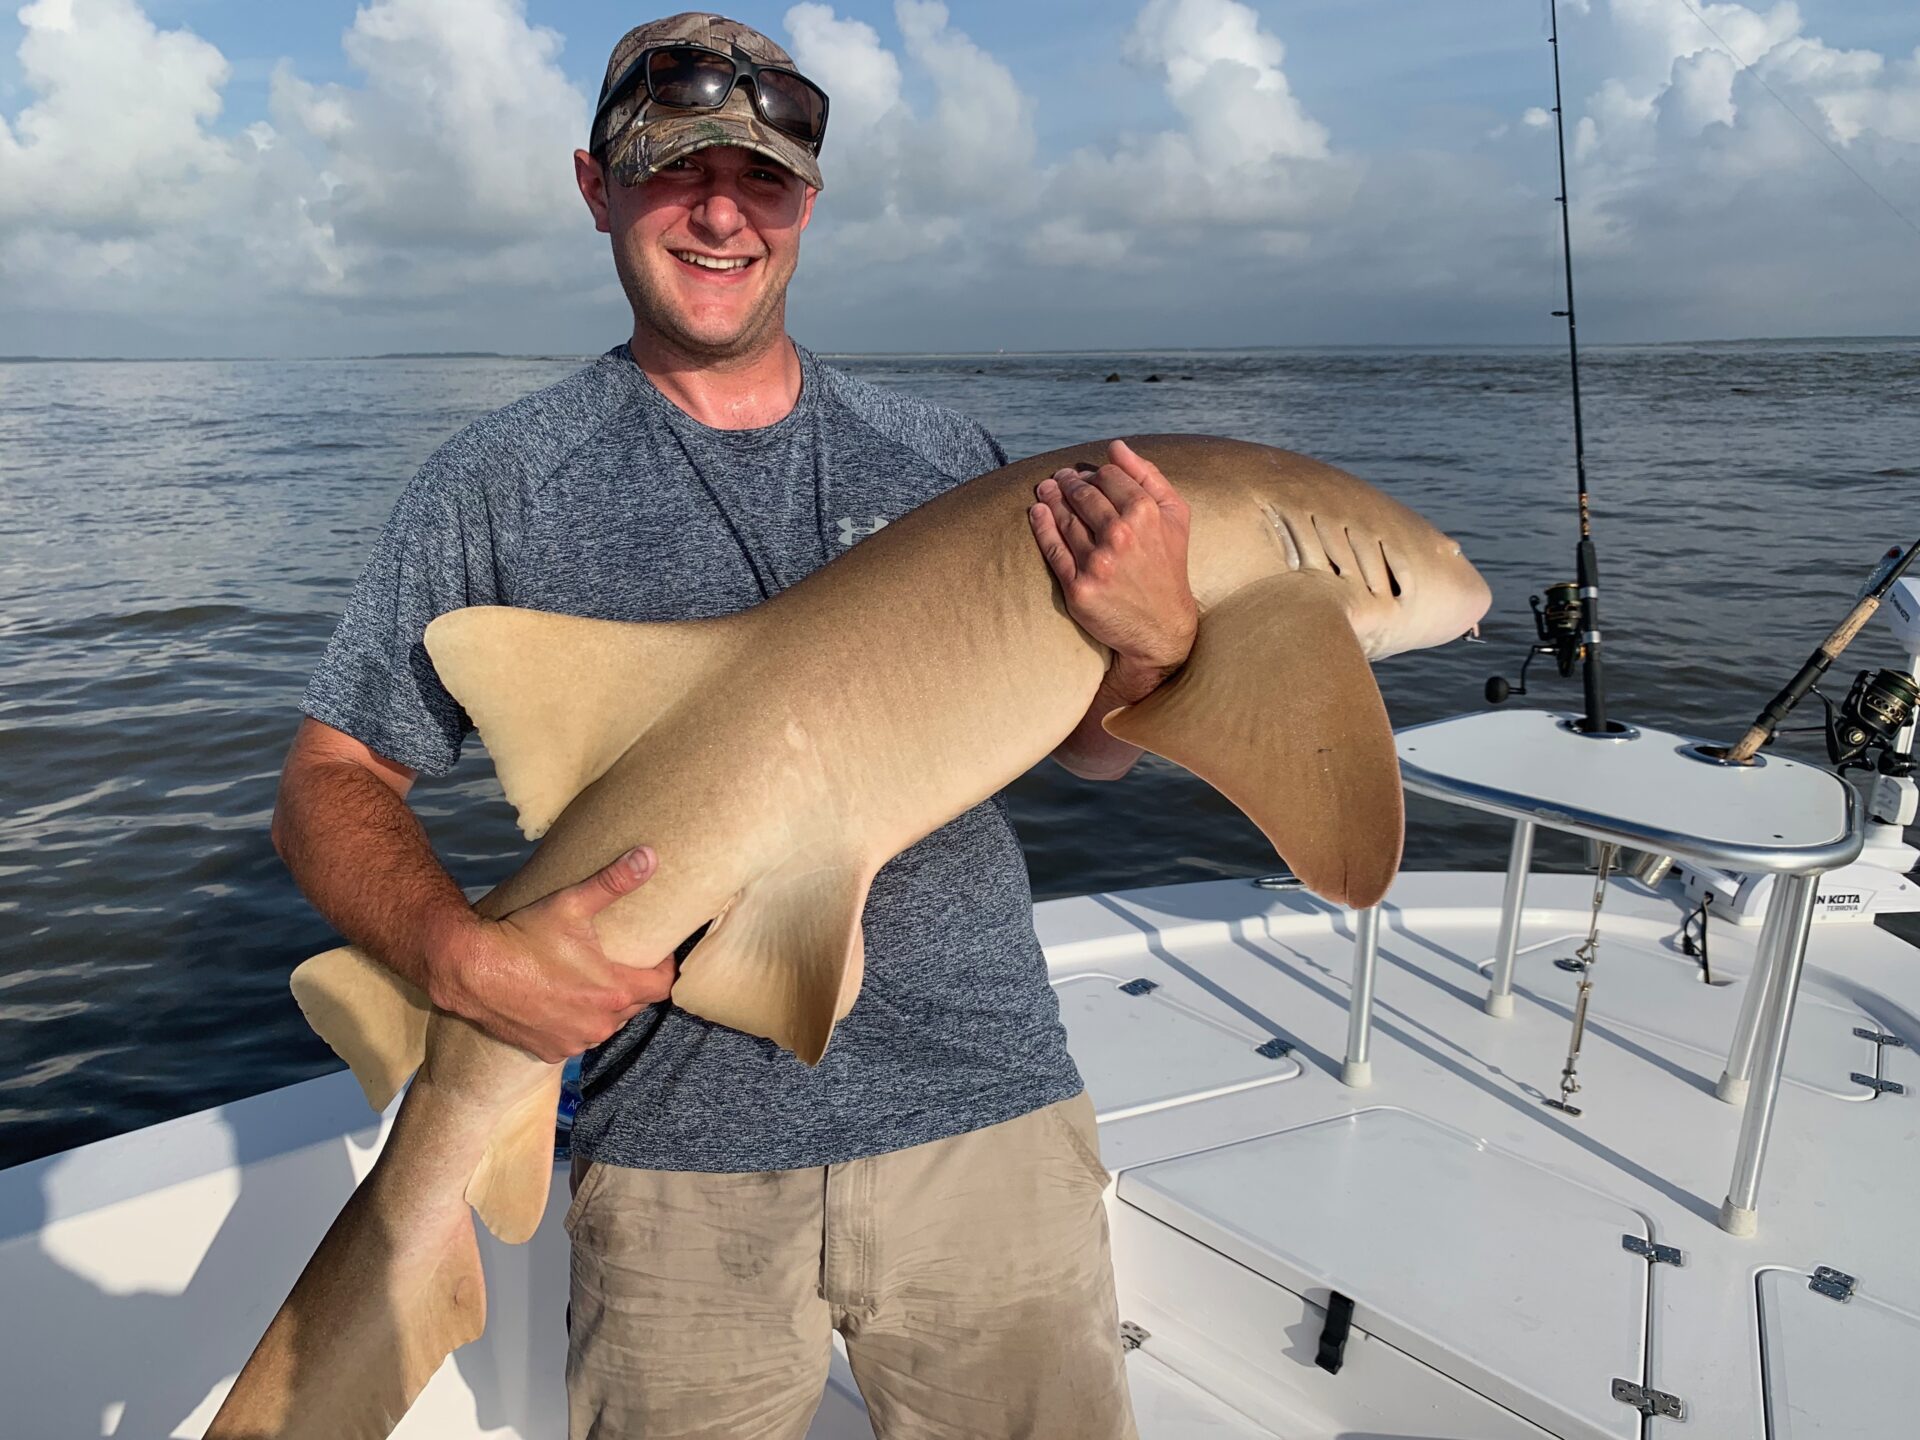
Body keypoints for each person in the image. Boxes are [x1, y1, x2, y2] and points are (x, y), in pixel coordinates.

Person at [272, 12, 1196, 1438]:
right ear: (596, 187)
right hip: (676, 1167)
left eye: (763, 180)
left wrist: (1154, 652)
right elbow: (330, 777)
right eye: (673, 171)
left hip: (988, 1116)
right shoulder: (496, 486)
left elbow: (1095, 749)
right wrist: (453, 955)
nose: (720, 213)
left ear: (807, 208)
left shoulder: (954, 463)